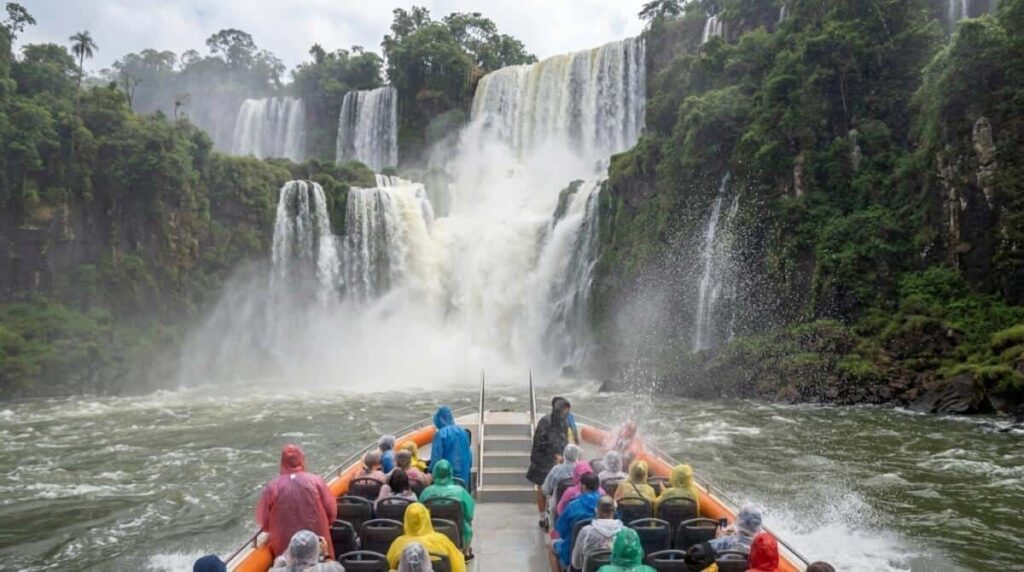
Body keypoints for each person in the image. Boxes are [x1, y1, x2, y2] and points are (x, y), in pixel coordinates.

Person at [256, 445, 338, 559]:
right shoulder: (316, 481)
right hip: (317, 539)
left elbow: (264, 522)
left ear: (282, 462)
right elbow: (331, 512)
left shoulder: (272, 487)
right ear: (302, 460)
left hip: (285, 547)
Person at [528, 397, 572, 529]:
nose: (565, 414)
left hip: (557, 460)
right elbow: (540, 443)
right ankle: (542, 517)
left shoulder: (564, 422)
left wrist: (564, 454)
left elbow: (564, 440)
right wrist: (554, 455)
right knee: (542, 488)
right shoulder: (545, 422)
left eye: (567, 412)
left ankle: (552, 514)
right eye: (564, 411)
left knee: (555, 489)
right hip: (541, 460)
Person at [386, 503, 466, 572]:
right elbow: (459, 565)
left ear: (406, 519)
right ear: (427, 517)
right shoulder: (442, 540)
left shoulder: (398, 543)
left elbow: (387, 565)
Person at [550, 472, 602, 571]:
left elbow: (560, 529)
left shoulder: (573, 505)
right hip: (601, 548)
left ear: (583, 486)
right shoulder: (606, 505)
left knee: (551, 547)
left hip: (572, 549)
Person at [419, 459, 475, 551]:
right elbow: (469, 515)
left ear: (435, 473)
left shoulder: (426, 492)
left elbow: (419, 514)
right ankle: (466, 553)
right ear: (450, 473)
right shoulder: (460, 492)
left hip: (430, 534)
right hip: (456, 534)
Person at [571, 495, 624, 572]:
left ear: (596, 510)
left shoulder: (586, 532)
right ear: (614, 511)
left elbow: (576, 563)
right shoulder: (626, 533)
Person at [429, 406, 472, 488]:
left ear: (440, 419)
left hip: (446, 476)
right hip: (464, 474)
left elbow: (436, 457)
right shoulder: (463, 432)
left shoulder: (441, 434)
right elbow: (468, 453)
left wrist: (430, 472)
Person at [541, 443, 582, 523]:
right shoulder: (581, 470)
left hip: (557, 511)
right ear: (577, 456)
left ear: (564, 454)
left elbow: (545, 490)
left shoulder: (556, 470)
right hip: (578, 510)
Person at [269, 529, 346, 571]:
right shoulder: (330, 569)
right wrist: (326, 553)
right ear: (315, 552)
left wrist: (283, 560)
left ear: (290, 550)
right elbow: (337, 567)